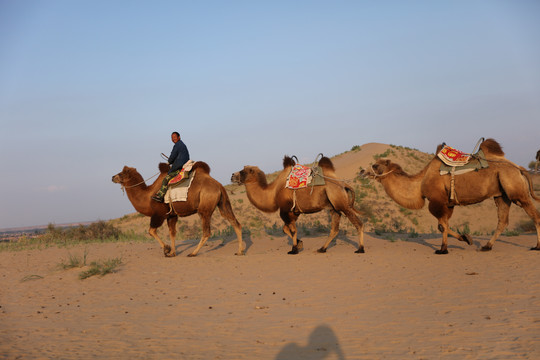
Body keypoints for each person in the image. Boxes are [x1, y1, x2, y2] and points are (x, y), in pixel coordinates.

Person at [151, 131, 190, 202]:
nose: (173, 139)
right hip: (183, 164)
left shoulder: (177, 145)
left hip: (179, 167)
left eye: (174, 137)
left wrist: (168, 163)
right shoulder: (182, 145)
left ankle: (160, 196)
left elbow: (172, 156)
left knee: (166, 179)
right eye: (172, 138)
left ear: (179, 137)